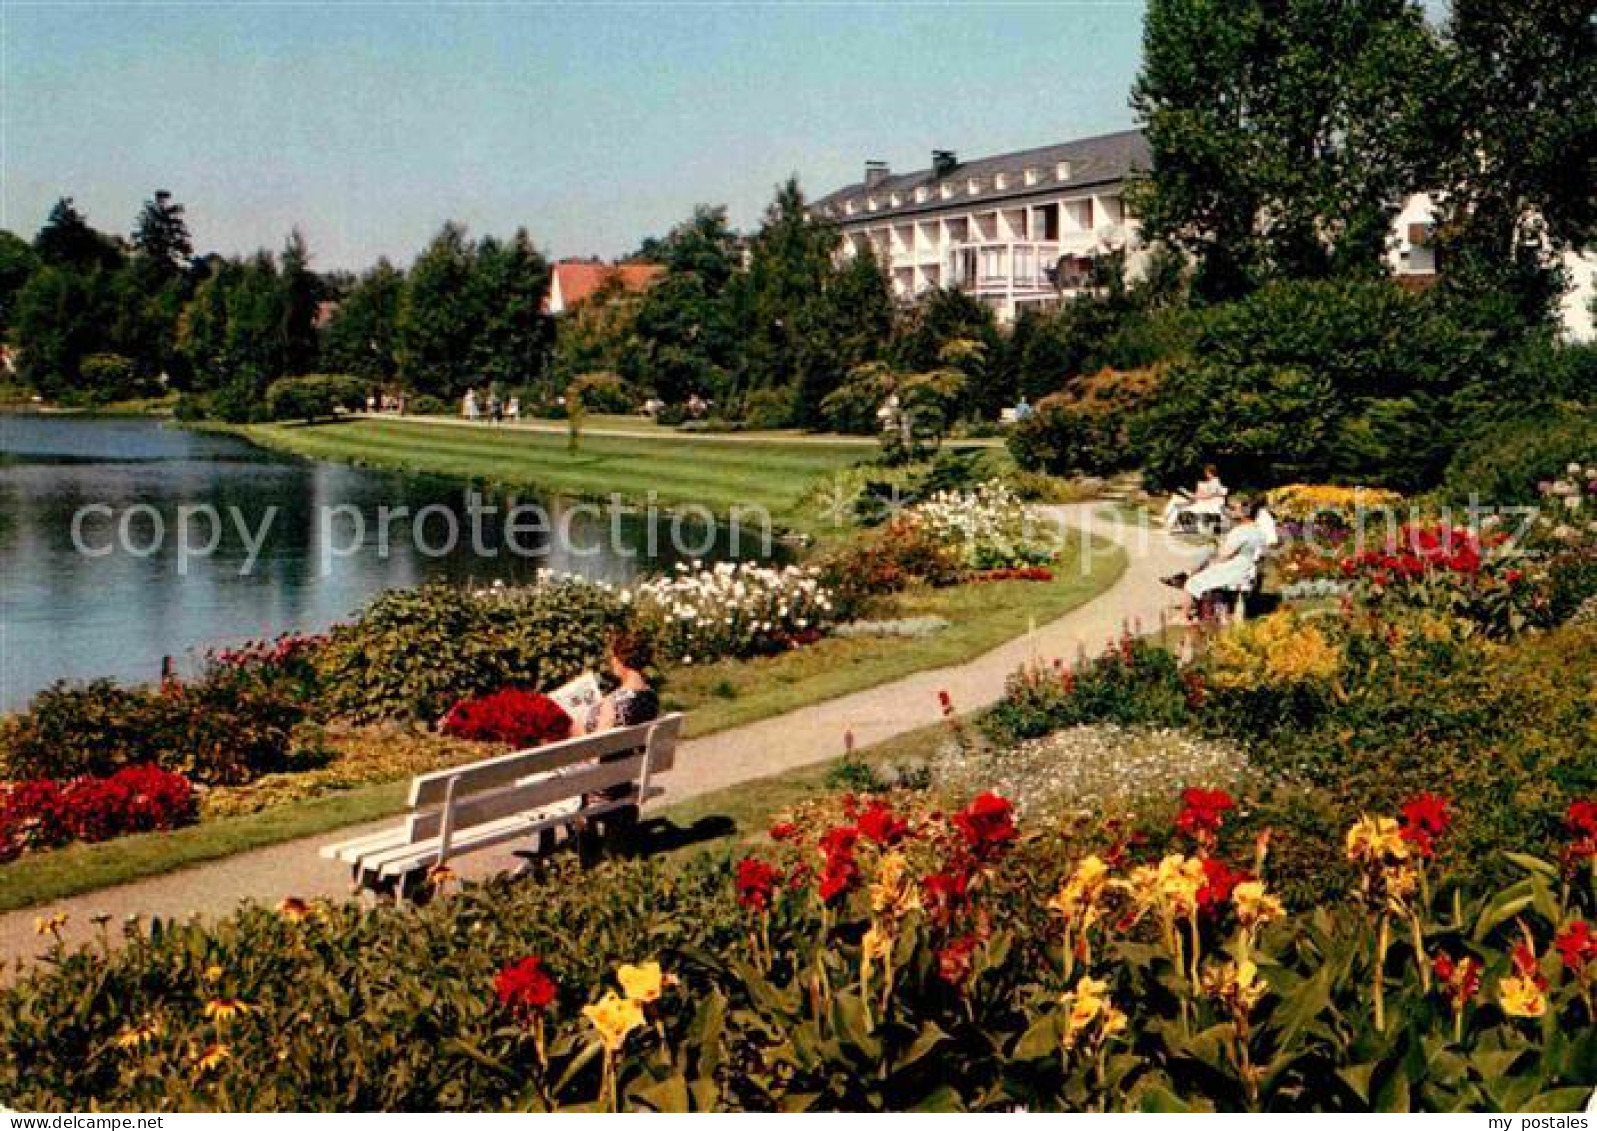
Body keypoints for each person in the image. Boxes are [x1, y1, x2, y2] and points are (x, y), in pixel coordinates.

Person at [1180, 499, 1269, 621]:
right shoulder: (1259, 532)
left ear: (1244, 513)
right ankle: (1218, 613)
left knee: (1190, 583)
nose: (1232, 512)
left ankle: (1184, 618)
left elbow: (1223, 555)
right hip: (1248, 571)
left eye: (1235, 509)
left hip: (1235, 570)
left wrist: (1202, 567)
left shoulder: (1240, 531)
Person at [585, 629, 659, 735]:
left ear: (618, 660)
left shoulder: (612, 704)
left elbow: (597, 746)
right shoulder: (651, 696)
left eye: (612, 657)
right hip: (635, 749)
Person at [1162, 464, 1227, 528]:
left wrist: (1195, 496)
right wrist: (1190, 494)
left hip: (1204, 504)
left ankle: (1167, 522)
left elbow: (1209, 496)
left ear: (1209, 472)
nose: (1205, 474)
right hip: (1200, 501)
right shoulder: (1211, 482)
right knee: (1175, 499)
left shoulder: (1215, 482)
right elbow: (1203, 495)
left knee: (1177, 505)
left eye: (1206, 472)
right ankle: (1166, 520)